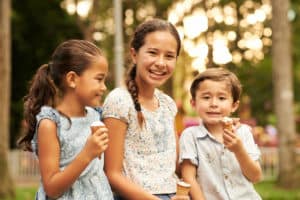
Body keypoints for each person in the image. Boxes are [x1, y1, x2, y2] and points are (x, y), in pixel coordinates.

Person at [102, 18, 188, 200]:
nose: (161, 63)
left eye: (169, 56)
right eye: (153, 53)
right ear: (134, 54)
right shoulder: (119, 100)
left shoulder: (168, 104)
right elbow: (112, 175)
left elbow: (177, 163)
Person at [18, 39, 113, 199]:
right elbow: (52, 189)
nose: (104, 87)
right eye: (99, 79)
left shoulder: (96, 116)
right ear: (72, 79)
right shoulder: (51, 124)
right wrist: (87, 154)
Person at [179, 68, 262, 200]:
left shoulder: (244, 132)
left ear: (234, 105)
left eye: (222, 98)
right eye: (206, 97)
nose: (213, 104)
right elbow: (189, 178)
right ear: (193, 103)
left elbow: (255, 176)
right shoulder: (190, 136)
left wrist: (239, 150)